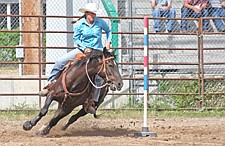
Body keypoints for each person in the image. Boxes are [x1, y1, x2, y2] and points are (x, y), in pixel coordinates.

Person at [39, 3, 112, 112]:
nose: (93, 15)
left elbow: (109, 31)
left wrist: (108, 41)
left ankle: (92, 101)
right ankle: (51, 83)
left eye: (94, 13)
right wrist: (84, 47)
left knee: (99, 77)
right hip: (82, 50)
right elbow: (76, 39)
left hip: (97, 52)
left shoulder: (100, 22)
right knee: (60, 62)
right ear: (86, 13)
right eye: (91, 13)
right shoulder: (79, 24)